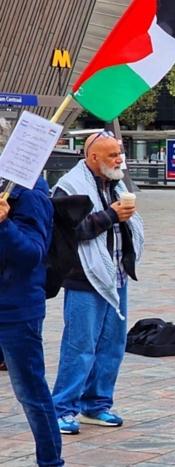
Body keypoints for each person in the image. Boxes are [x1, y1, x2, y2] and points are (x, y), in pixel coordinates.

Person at [52, 131, 145, 435]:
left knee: (112, 345)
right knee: (79, 346)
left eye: (120, 154)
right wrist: (110, 216)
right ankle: (62, 409)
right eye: (112, 155)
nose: (120, 159)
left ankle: (96, 404)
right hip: (84, 279)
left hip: (116, 275)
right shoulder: (69, 187)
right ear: (93, 158)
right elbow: (67, 231)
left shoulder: (115, 184)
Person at [0, 178, 64, 466]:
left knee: (31, 392)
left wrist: (3, 223)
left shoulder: (30, 192)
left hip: (16, 307)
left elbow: (32, 253)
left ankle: (50, 462)